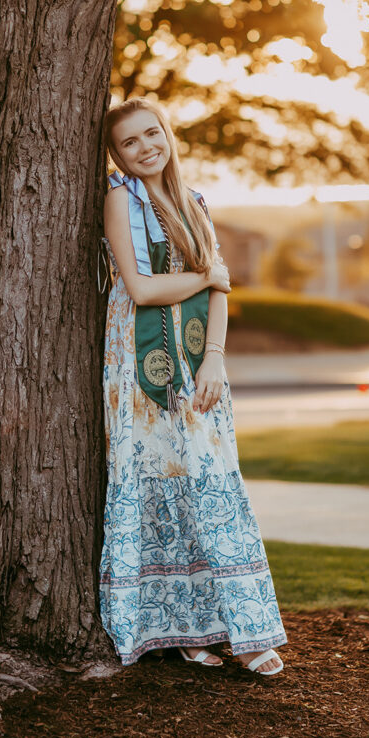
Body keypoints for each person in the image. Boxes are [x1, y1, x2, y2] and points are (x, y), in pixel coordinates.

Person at [98, 97, 287, 675]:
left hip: (200, 365)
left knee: (211, 485)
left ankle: (246, 632)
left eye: (152, 133)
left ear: (167, 134)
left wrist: (213, 360)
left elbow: (220, 294)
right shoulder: (118, 200)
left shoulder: (194, 202)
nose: (145, 147)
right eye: (130, 142)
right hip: (139, 366)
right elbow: (142, 289)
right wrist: (206, 275)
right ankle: (176, 630)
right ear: (117, 154)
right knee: (159, 486)